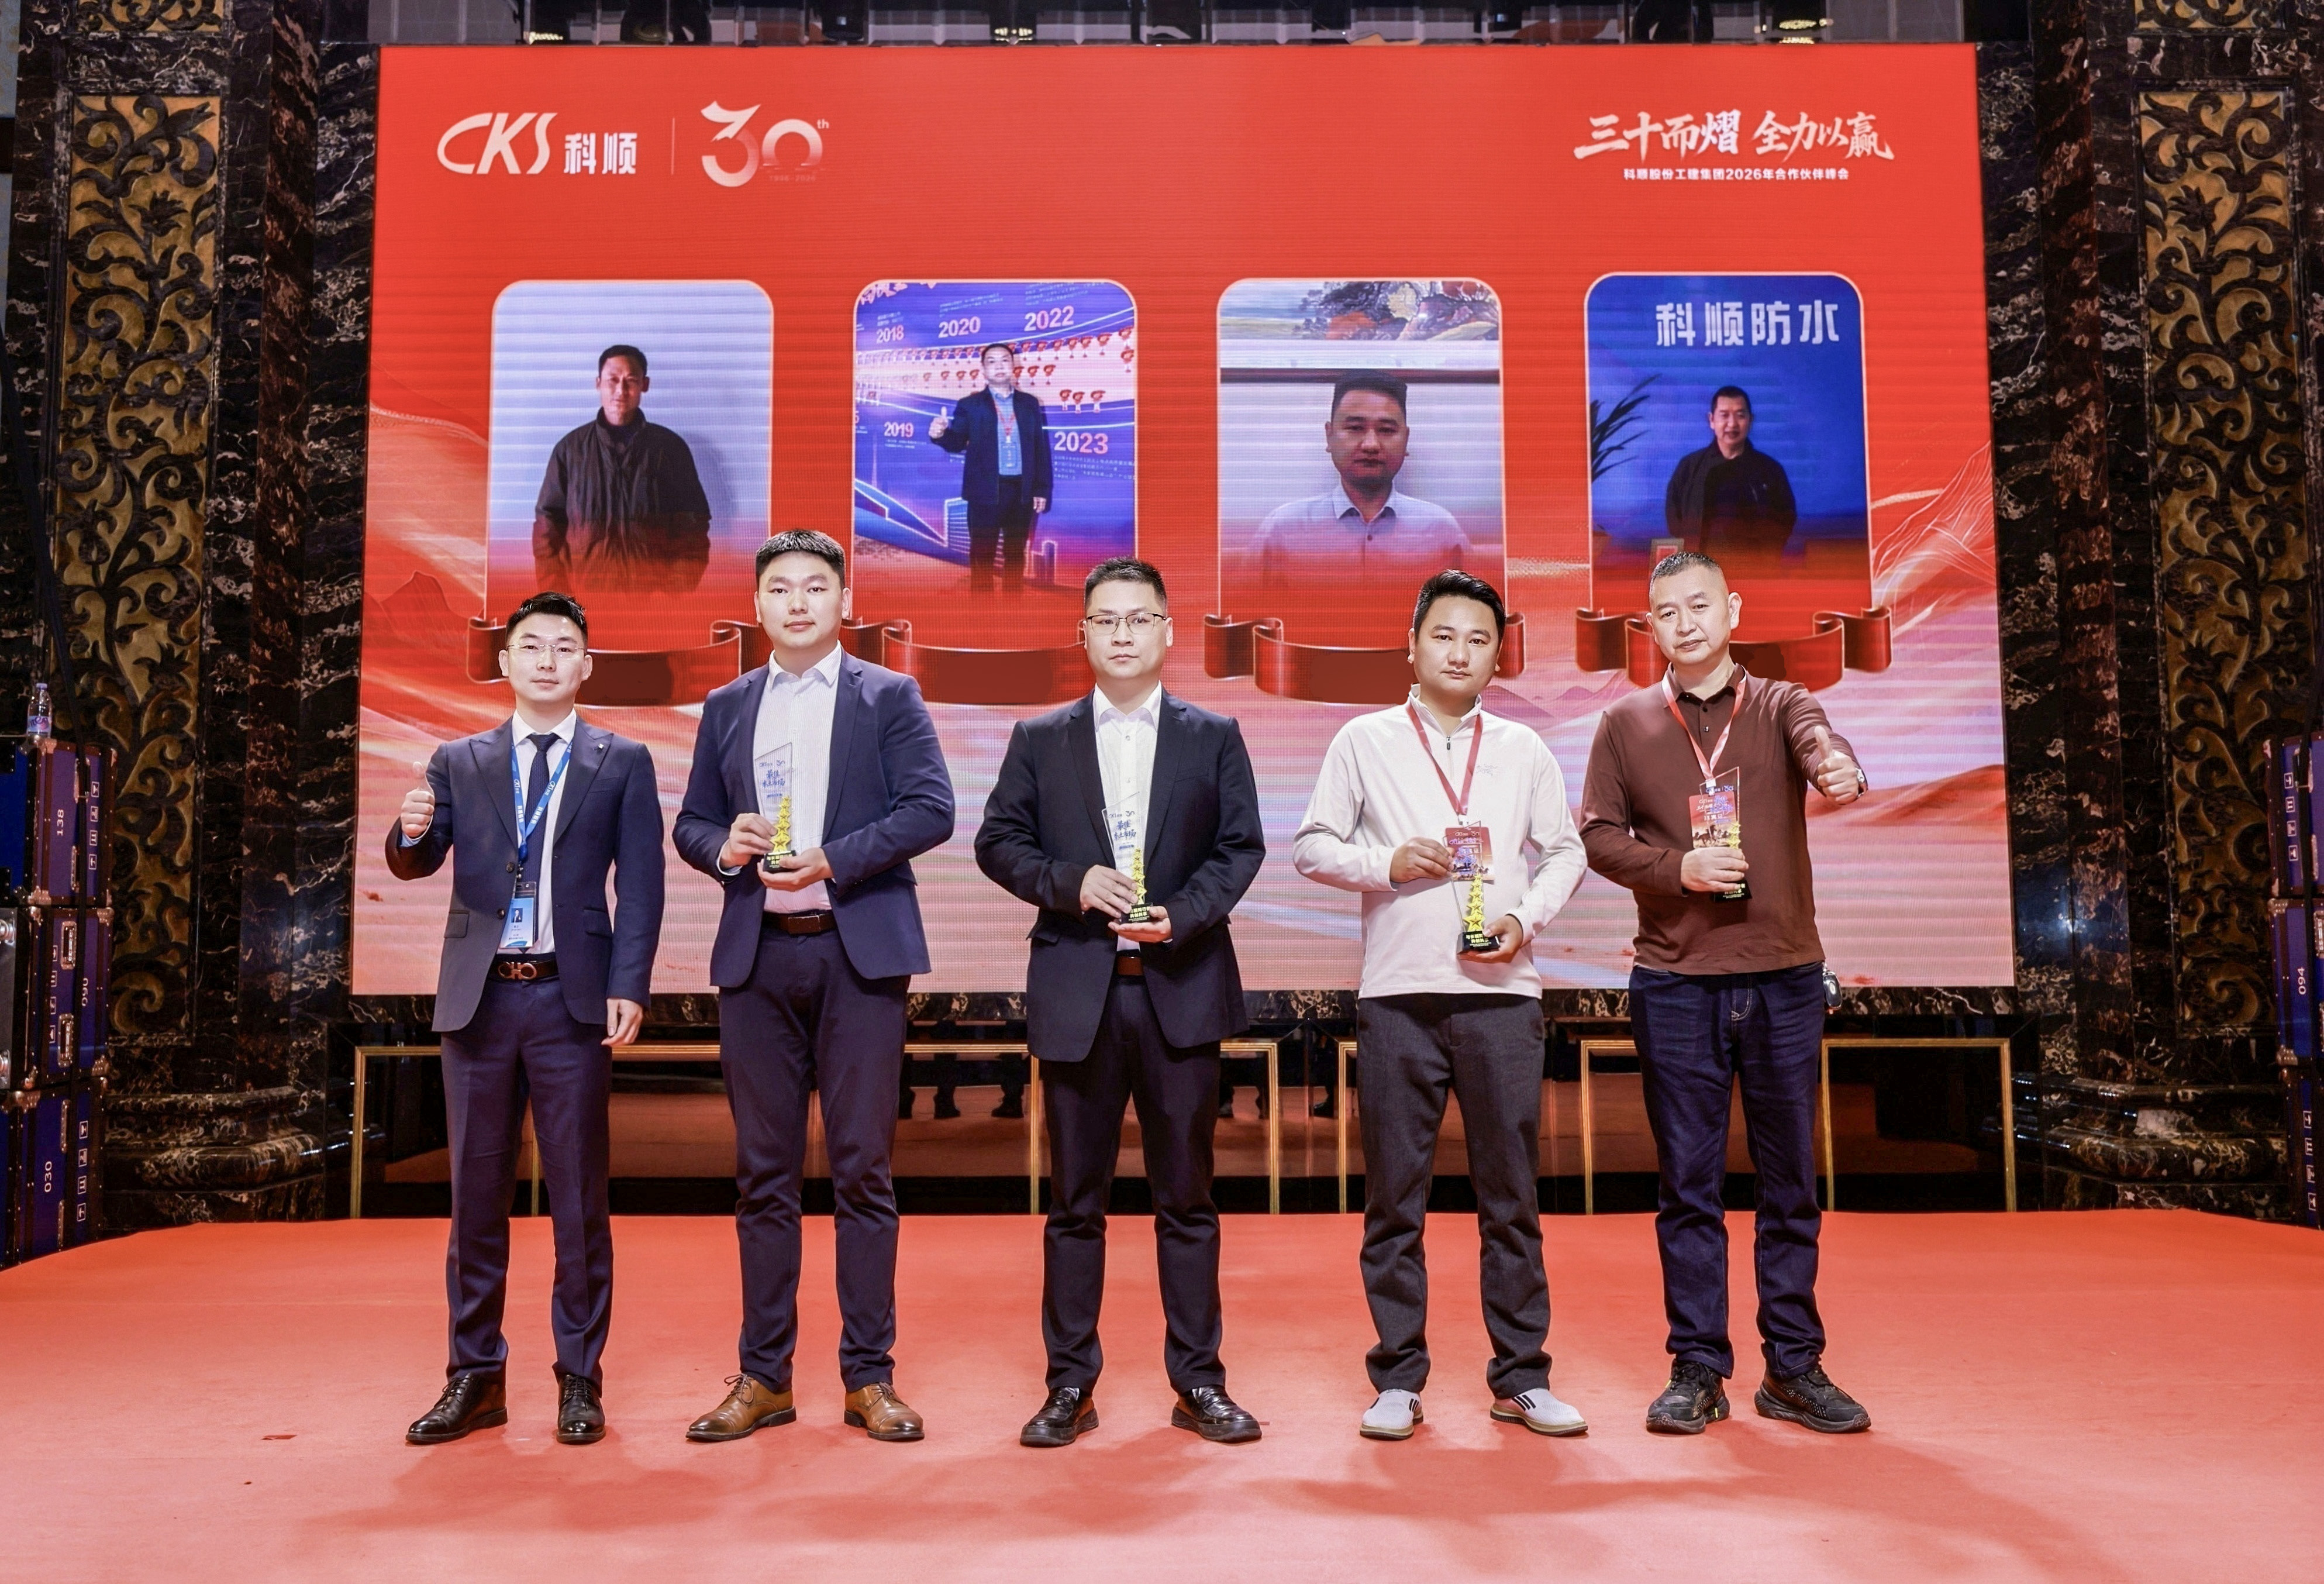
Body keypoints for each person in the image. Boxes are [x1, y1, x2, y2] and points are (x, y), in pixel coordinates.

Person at [1576, 550, 1871, 1437]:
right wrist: (1679, 869)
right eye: (1666, 612)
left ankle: (1793, 1365)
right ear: (1649, 626)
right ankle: (1696, 1367)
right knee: (1687, 1188)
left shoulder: (1780, 703)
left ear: (1732, 609)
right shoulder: (1624, 721)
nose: (1685, 623)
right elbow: (1596, 836)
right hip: (1674, 983)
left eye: (1699, 605)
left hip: (1782, 977)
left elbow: (1822, 743)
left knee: (1789, 1184)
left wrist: (1837, 766)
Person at [975, 557, 1267, 1449]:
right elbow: (997, 842)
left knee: (1188, 1201)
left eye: (1140, 619)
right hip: (1081, 994)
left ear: (1169, 631)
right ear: (1083, 634)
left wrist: (1183, 914)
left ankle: (1199, 1381)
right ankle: (1069, 1383)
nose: (1123, 635)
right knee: (1075, 1204)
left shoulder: (1212, 735)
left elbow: (1240, 847)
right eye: (1106, 620)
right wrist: (1070, 883)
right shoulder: (1041, 737)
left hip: (1179, 990)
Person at [1292, 569, 1589, 1443]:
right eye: (1444, 635)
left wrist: (1524, 919)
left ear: (1498, 656)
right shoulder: (1363, 740)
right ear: (1412, 645)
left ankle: (1521, 1376)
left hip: (1501, 999)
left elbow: (1565, 851)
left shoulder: (1523, 749)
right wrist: (1383, 864)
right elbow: (1311, 845)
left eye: (1478, 639)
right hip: (1397, 997)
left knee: (1511, 1198)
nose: (1460, 652)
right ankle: (1397, 1377)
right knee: (1395, 1199)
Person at [673, 529, 956, 1445]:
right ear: (756, 605)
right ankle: (763, 1378)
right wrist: (724, 847)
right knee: (763, 1175)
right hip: (757, 958)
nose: (797, 603)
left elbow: (931, 809)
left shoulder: (888, 694)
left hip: (856, 952)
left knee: (863, 1170)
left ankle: (870, 1377)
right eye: (780, 589)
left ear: (845, 602)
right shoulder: (727, 704)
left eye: (815, 587)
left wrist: (835, 857)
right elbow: (691, 823)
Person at [387, 590, 666, 1449]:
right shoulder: (459, 760)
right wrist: (407, 831)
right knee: (475, 1196)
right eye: (532, 646)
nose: (548, 660)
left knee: (578, 1198)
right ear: (505, 663)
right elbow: (415, 862)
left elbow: (641, 886)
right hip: (480, 1001)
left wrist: (630, 982)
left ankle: (579, 1376)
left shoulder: (623, 760)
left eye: (564, 647)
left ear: (586, 666)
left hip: (568, 999)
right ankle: (474, 1374)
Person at [1251, 373, 1475, 590]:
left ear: (1406, 440)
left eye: (1386, 430)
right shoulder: (1282, 529)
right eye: (1355, 428)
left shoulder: (1441, 530)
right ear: (1329, 436)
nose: (1371, 445)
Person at [533, 345, 714, 596]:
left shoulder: (670, 450)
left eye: (631, 381)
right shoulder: (570, 451)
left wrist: (673, 593)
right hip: (583, 602)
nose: (621, 390)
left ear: (644, 385)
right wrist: (557, 598)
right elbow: (547, 527)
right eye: (613, 380)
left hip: (652, 603)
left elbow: (693, 527)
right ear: (598, 383)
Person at [926, 342, 1053, 594]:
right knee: (982, 556)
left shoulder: (1029, 404)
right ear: (983, 369)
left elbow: (1040, 448)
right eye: (992, 362)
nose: (999, 366)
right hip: (984, 492)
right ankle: (982, 610)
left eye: (1005, 360)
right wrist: (939, 435)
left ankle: (1012, 607)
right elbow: (957, 442)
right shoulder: (970, 405)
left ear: (1014, 365)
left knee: (1015, 554)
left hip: (1022, 492)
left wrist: (1041, 489)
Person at [1662, 387, 1797, 561]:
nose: (1732, 424)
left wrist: (1767, 554)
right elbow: (1674, 515)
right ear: (1712, 420)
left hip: (1754, 566)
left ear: (1751, 420)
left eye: (1740, 415)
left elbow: (1786, 518)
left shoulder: (1770, 470)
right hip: (1701, 567)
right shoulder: (1689, 467)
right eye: (1724, 415)